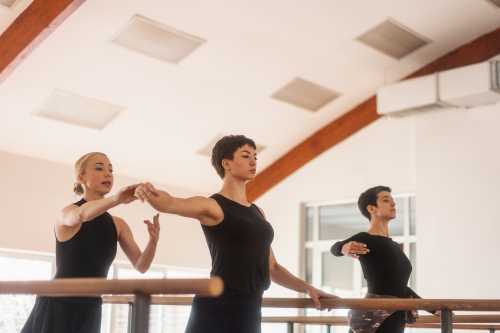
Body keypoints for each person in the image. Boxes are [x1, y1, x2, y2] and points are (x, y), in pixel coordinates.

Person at [134, 135, 336, 333]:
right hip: (217, 306)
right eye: (246, 156)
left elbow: (272, 267)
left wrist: (308, 288)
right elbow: (171, 203)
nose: (254, 161)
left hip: (249, 308)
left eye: (255, 157)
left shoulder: (257, 212)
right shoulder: (213, 206)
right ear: (227, 164)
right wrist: (146, 190)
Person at [21, 152, 160, 333]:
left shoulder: (118, 225)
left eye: (110, 170)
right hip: (57, 304)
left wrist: (153, 241)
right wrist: (116, 199)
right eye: (99, 168)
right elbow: (81, 215)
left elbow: (141, 265)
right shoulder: (68, 212)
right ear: (81, 177)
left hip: (91, 307)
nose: (108, 174)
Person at [331, 186, 431, 333]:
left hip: (395, 316)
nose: (393, 204)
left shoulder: (395, 246)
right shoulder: (365, 239)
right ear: (371, 208)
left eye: (393, 200)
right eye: (386, 200)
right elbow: (334, 248)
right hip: (374, 319)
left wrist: (436, 309)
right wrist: (343, 247)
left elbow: (400, 288)